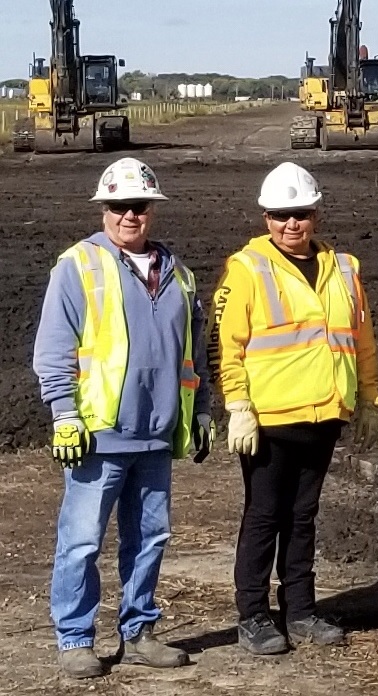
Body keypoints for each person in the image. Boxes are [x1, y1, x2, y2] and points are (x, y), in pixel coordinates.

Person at [32, 157, 214, 679]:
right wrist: (63, 413)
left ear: (151, 210)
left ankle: (139, 632)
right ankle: (74, 637)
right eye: (118, 206)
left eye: (138, 206)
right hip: (97, 435)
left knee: (151, 538)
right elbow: (53, 350)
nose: (128, 215)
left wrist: (200, 410)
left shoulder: (179, 274)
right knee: (82, 541)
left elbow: (194, 353)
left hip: (156, 436)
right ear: (105, 209)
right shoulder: (79, 266)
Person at [208, 161, 378, 655]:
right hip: (269, 422)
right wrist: (237, 403)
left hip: (324, 415)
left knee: (303, 516)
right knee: (264, 516)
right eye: (281, 215)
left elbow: (361, 341)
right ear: (266, 217)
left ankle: (301, 610)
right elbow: (228, 344)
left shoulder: (344, 269)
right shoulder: (247, 269)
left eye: (300, 214)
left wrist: (368, 397)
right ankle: (254, 616)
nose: (291, 225)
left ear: (316, 214)